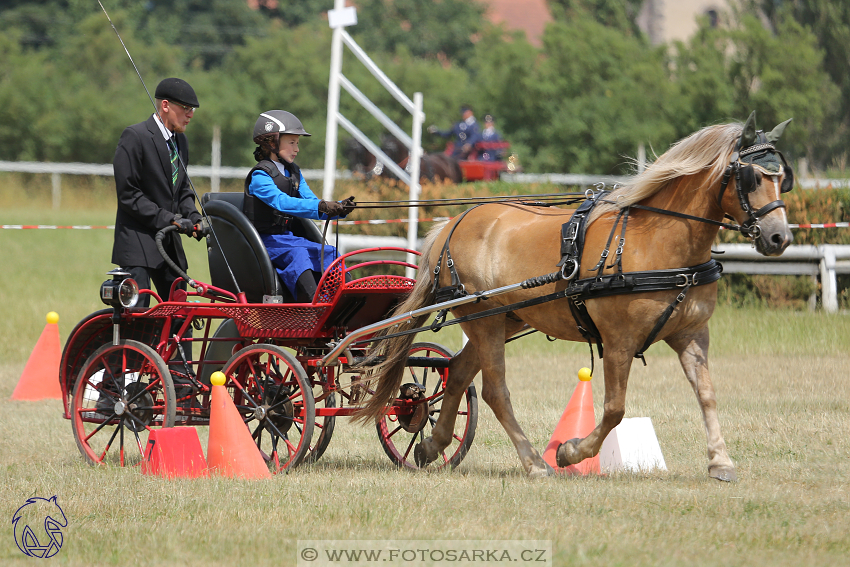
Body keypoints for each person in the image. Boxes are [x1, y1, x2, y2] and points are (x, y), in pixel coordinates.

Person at [244, 110, 356, 303]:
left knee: (331, 254)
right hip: (264, 242)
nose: (297, 149)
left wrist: (338, 209)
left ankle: (344, 303)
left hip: (288, 239)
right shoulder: (260, 176)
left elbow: (311, 202)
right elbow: (281, 202)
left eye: (298, 143)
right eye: (292, 142)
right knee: (299, 254)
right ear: (272, 142)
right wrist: (322, 206)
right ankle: (314, 306)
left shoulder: (295, 173)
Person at [112, 77, 204, 307]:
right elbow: (128, 195)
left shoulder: (181, 142)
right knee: (139, 316)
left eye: (191, 109)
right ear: (165, 105)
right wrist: (170, 219)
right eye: (185, 108)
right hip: (137, 243)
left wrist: (194, 217)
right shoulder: (135, 137)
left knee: (179, 316)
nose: (190, 114)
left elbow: (181, 189)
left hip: (169, 245)